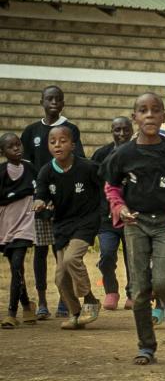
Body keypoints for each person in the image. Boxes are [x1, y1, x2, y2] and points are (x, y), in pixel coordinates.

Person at [103, 92, 165, 364]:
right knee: (140, 288)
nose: (149, 115)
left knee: (161, 279)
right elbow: (111, 187)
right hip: (135, 223)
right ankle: (146, 346)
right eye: (142, 111)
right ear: (135, 117)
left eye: (155, 110)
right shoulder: (123, 155)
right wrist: (119, 208)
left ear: (163, 117)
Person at [20, 85, 85, 320]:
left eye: (58, 99)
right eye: (49, 99)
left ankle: (64, 301)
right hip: (39, 200)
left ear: (63, 103)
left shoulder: (71, 129)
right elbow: (24, 165)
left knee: (63, 251)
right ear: (42, 102)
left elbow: (79, 162)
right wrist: (40, 196)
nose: (54, 102)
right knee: (40, 251)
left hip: (64, 202)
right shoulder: (31, 132)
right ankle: (43, 301)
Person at [33, 126, 104, 330]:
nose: (57, 145)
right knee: (60, 276)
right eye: (52, 141)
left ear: (73, 145)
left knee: (72, 258)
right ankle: (76, 314)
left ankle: (90, 300)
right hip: (62, 225)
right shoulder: (46, 171)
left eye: (62, 141)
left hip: (86, 221)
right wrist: (39, 202)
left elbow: (105, 186)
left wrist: (105, 211)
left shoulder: (88, 167)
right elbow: (41, 193)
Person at [91, 116, 134, 311]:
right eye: (117, 130)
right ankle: (111, 290)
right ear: (112, 131)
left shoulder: (139, 152)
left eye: (126, 129)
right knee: (107, 255)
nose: (122, 134)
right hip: (107, 218)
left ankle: (133, 293)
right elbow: (95, 179)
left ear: (132, 130)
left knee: (133, 257)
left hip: (133, 218)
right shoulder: (101, 154)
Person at [0, 134, 38, 328]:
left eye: (18, 144)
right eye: (11, 146)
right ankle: (27, 305)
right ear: (3, 152)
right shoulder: (1, 172)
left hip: (26, 223)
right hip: (7, 224)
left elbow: (39, 190)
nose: (16, 148)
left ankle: (11, 313)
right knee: (17, 269)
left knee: (17, 264)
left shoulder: (31, 168)